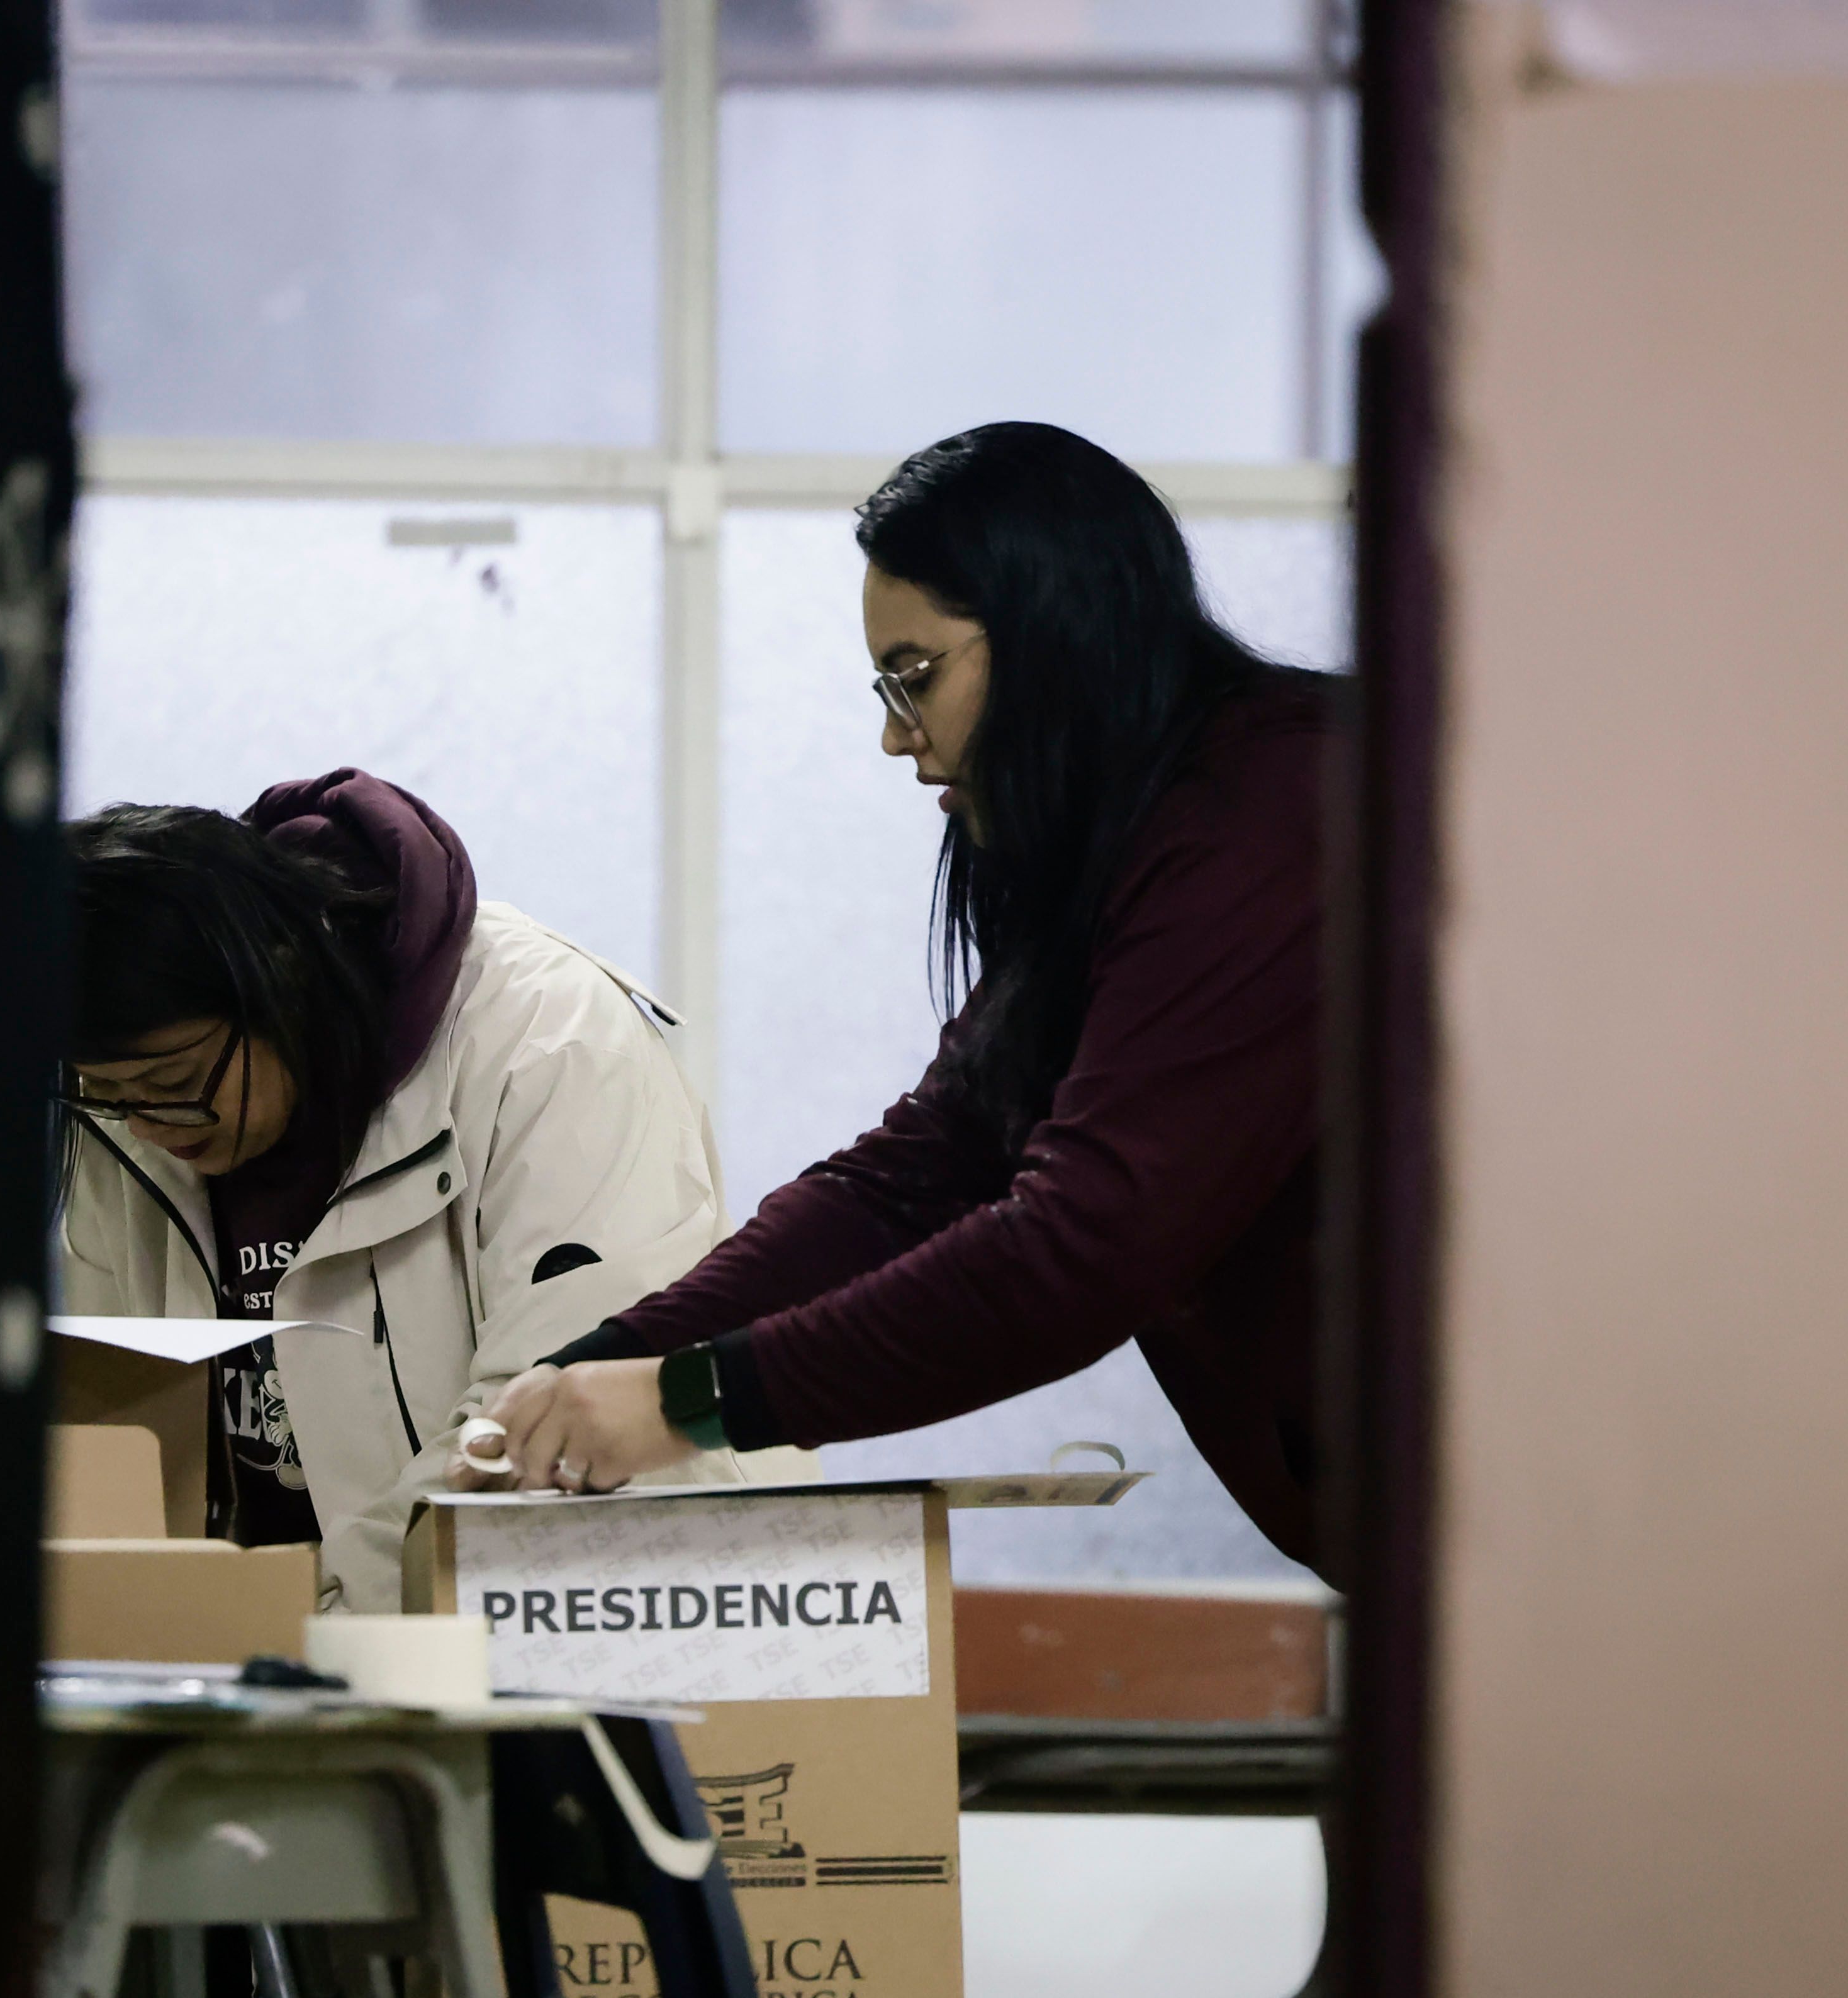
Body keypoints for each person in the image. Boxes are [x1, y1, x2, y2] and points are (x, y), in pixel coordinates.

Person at [51, 772, 744, 1998]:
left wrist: (337, 1640)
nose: (154, 1131)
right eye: (107, 1103)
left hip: (547, 1686)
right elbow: (121, 1408)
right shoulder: (114, 1106)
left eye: (175, 1086)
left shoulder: (542, 1046)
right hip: (306, 1715)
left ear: (278, 978)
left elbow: (576, 1422)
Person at [467, 421, 1345, 1582]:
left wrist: (684, 1402)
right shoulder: (1126, 844)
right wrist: (605, 1360)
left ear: (1052, 637)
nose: (894, 735)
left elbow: (1078, 1248)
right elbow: (914, 1174)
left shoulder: (1268, 816)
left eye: (915, 676)